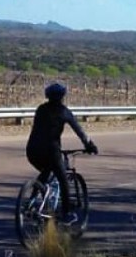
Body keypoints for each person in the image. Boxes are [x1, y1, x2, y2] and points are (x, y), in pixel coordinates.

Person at [25, 82, 98, 220]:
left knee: (45, 172)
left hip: (32, 150)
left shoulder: (40, 109)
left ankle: (31, 202)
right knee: (63, 179)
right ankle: (66, 214)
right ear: (62, 96)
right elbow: (79, 132)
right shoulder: (64, 111)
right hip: (51, 151)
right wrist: (90, 145)